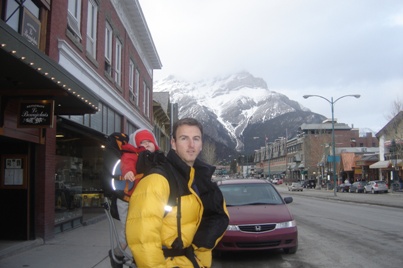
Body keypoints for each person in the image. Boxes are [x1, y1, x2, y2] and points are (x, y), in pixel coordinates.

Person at [126, 117, 230, 268]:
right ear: (173, 143)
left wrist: (200, 258)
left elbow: (214, 218)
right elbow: (143, 239)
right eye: (184, 138)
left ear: (201, 144)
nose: (191, 145)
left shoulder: (200, 180)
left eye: (196, 139)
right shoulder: (157, 179)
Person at [109, 129, 159, 268]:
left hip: (144, 201)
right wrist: (129, 172)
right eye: (142, 142)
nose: (146, 144)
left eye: (149, 141)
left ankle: (135, 258)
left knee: (142, 231)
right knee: (128, 231)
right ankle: (118, 254)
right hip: (127, 200)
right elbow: (127, 163)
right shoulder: (132, 154)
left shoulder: (158, 159)